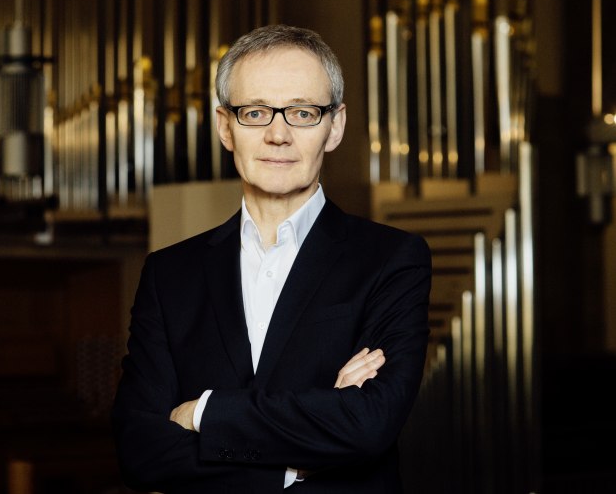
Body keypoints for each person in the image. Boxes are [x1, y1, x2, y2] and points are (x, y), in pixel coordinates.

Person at [112, 24, 431, 493]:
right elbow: (140, 449)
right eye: (256, 112)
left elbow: (368, 424)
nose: (278, 134)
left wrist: (203, 413)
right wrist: (297, 461)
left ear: (335, 126)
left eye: (302, 112)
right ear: (225, 127)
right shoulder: (168, 274)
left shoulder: (392, 259)